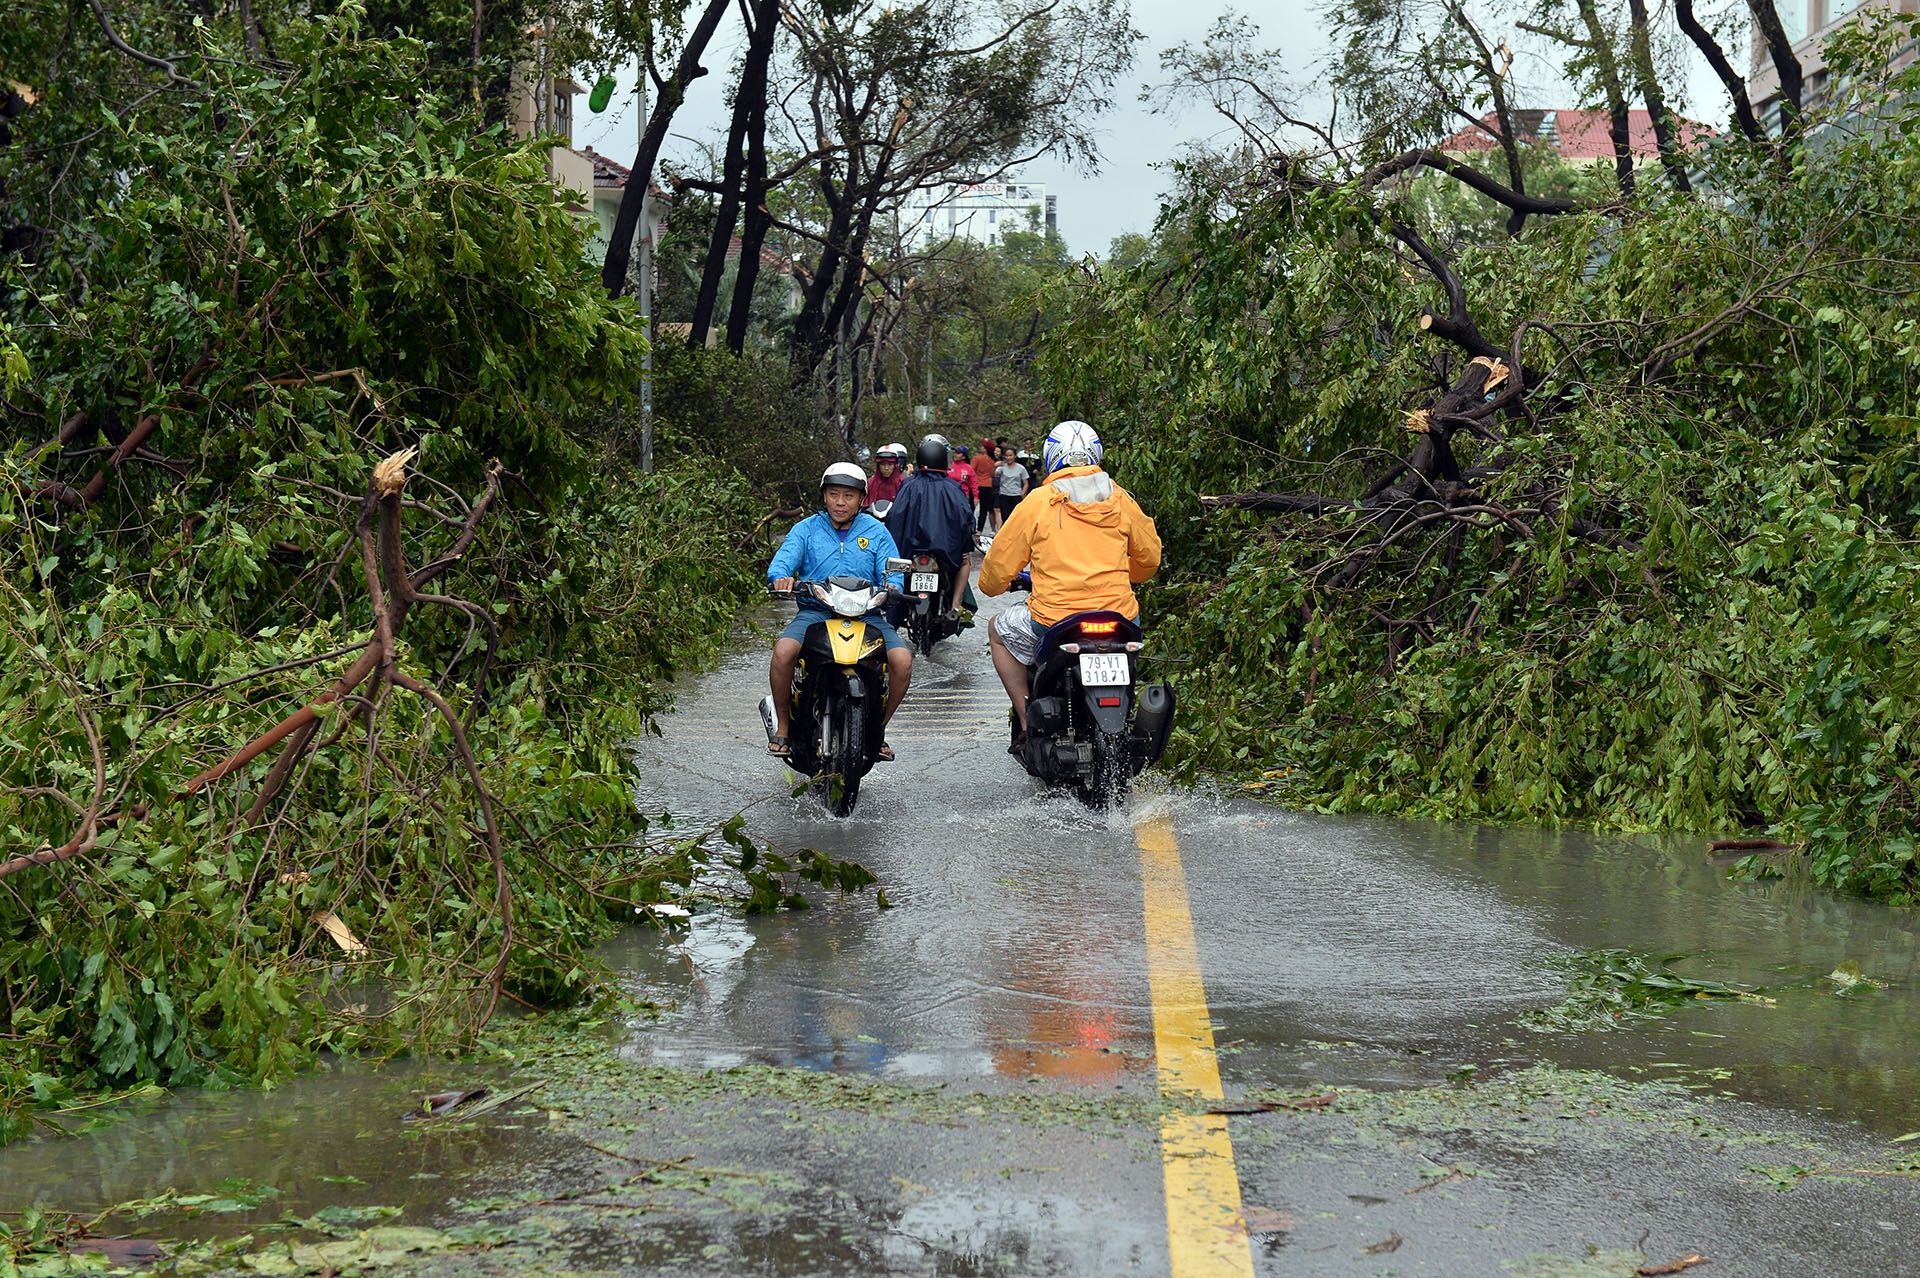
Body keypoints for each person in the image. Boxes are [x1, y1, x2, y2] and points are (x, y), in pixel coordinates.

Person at [978, 421, 1161, 749]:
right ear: (1096, 455)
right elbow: (1149, 560)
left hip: (1056, 619)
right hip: (1120, 618)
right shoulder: (1120, 498)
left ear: (1052, 458)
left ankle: (1024, 722)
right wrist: (1125, 573)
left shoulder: (1038, 502)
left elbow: (997, 571)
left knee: (997, 630)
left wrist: (994, 585)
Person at [767, 463, 912, 761]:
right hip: (815, 613)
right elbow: (783, 561)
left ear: (862, 499)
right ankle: (783, 723)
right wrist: (781, 577)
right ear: (824, 496)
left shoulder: (876, 531)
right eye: (834, 494)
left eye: (849, 495)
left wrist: (893, 586)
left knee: (902, 660)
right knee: (783, 652)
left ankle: (878, 729)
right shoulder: (805, 529)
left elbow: (891, 570)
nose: (840, 502)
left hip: (868, 616)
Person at [887, 435, 974, 618]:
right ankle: (956, 604)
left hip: (910, 550)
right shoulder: (953, 488)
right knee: (965, 561)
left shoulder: (908, 484)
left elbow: (894, 517)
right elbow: (965, 518)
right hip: (945, 550)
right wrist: (966, 545)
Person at [990, 445, 1029, 533]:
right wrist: (995, 466)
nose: (1008, 457)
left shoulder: (1021, 468)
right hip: (1004, 495)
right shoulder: (1002, 467)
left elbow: (1026, 483)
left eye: (1010, 455)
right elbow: (993, 475)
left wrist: (1022, 493)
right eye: (1006, 456)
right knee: (1005, 518)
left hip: (1016, 495)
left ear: (1015, 456)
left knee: (1016, 518)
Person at [866, 443, 908, 509]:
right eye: (882, 464)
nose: (886, 468)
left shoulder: (904, 484)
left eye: (890, 464)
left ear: (895, 465)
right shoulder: (870, 483)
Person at [971, 439, 998, 532]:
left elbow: (971, 471)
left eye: (982, 446)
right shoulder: (992, 461)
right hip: (988, 486)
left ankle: (970, 528)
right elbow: (992, 474)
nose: (980, 447)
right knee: (983, 510)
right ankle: (979, 531)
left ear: (985, 449)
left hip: (977, 485)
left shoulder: (977, 458)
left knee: (972, 508)